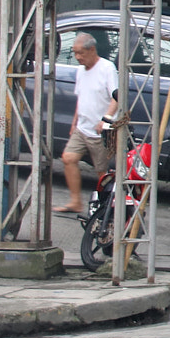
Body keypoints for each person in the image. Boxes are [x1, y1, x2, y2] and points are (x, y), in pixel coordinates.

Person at [56, 32, 118, 214]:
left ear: (92, 50)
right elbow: (81, 97)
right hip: (82, 127)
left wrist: (106, 118)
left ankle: (106, 207)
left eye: (80, 53)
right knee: (68, 158)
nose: (77, 57)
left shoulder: (107, 68)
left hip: (100, 130)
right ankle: (75, 201)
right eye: (75, 53)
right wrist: (75, 121)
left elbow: (117, 96)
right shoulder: (80, 71)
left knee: (102, 172)